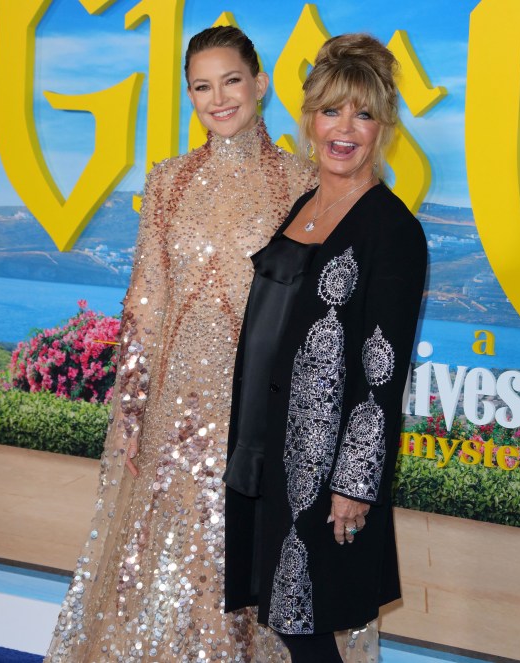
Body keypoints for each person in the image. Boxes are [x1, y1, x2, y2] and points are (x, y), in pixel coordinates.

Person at [45, 26, 315, 663]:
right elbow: (146, 304)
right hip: (175, 412)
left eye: (231, 80)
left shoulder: (302, 183)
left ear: (260, 84)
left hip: (257, 413)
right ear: (189, 96)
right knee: (168, 577)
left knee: (240, 572)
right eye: (202, 86)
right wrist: (132, 414)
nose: (219, 98)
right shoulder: (167, 182)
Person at [224, 33, 427, 663]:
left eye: (363, 114)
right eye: (332, 110)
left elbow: (382, 370)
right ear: (309, 118)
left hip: (322, 463)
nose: (345, 129)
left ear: (384, 126)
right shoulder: (306, 204)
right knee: (284, 617)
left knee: (306, 624)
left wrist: (355, 482)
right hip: (264, 444)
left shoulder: (392, 229)